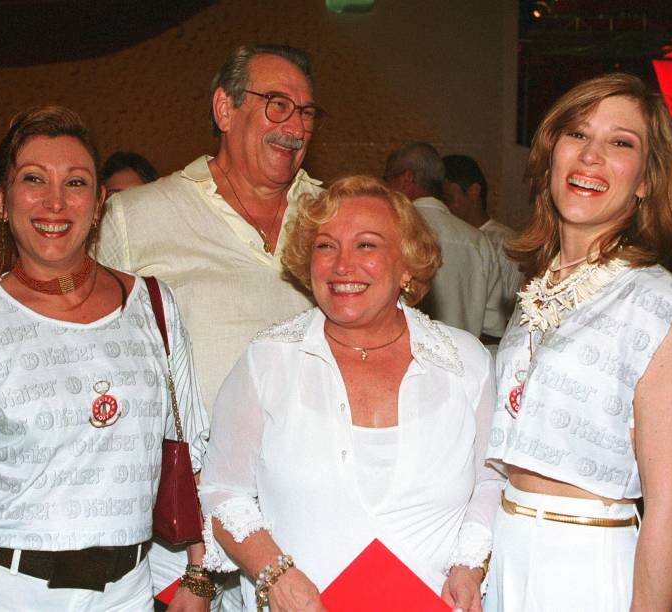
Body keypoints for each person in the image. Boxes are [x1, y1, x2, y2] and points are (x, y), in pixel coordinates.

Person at [0, 106, 210, 611]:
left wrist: (199, 577)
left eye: (76, 183)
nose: (55, 202)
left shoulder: (154, 306)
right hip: (0, 593)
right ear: (1, 198)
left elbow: (195, 451)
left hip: (126, 594)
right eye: (34, 179)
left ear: (100, 202)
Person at [199, 176, 502, 612]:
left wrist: (469, 565)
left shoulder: (466, 363)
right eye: (326, 246)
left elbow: (491, 480)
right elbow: (223, 490)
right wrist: (276, 576)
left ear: (407, 266)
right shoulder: (268, 360)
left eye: (366, 246)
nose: (342, 265)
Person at [98, 44, 324, 609]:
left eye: (306, 112)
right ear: (224, 109)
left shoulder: (333, 213)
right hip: (188, 526)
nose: (294, 126)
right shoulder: (137, 217)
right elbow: (106, 370)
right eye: (277, 105)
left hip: (312, 507)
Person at [484, 73, 672, 611]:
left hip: (585, 562)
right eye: (577, 134)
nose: (591, 156)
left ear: (644, 181)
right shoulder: (539, 289)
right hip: (504, 545)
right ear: (551, 156)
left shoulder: (656, 303)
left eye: (620, 143)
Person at [384, 143, 505, 339]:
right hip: (465, 362)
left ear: (407, 178)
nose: (386, 189)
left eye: (387, 179)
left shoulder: (391, 230)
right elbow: (493, 328)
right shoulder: (479, 241)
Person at [442, 154, 524, 325]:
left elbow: (513, 311)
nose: (445, 208)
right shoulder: (446, 238)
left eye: (448, 199)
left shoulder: (507, 242)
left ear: (473, 191)